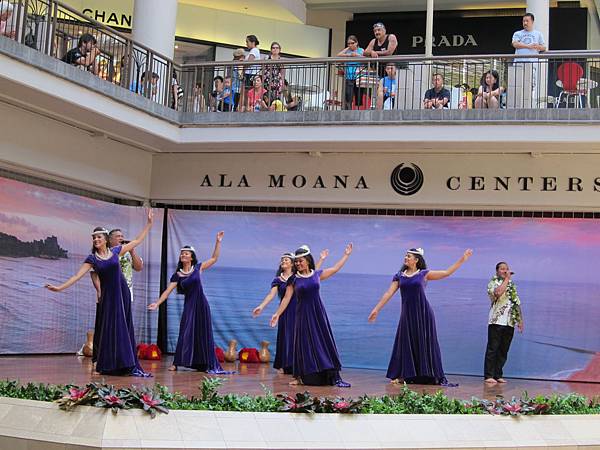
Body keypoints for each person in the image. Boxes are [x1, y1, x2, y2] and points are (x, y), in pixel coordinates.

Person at [45, 210, 154, 377]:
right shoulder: (92, 259)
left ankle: (125, 363)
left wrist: (149, 223)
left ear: (105, 239)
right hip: (108, 296)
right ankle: (106, 364)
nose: (96, 240)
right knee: (108, 328)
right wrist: (59, 288)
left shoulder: (117, 251)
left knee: (123, 328)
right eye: (94, 238)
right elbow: (76, 276)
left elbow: (138, 240)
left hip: (122, 293)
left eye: (99, 237)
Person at [369, 247, 473, 385]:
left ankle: (427, 375)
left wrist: (462, 259)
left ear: (416, 260)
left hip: (423, 314)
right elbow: (388, 293)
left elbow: (446, 273)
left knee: (424, 343)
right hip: (407, 315)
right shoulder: (399, 276)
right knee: (406, 343)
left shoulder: (424, 274)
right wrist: (377, 309)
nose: (406, 258)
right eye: (405, 256)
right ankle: (405, 375)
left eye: (409, 256)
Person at [270, 244, 353, 387]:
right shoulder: (294, 279)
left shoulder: (316, 275)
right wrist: (277, 314)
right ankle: (300, 377)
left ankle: (335, 377)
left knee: (325, 343)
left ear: (308, 260)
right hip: (302, 315)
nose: (298, 263)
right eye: (296, 261)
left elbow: (335, 269)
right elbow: (286, 298)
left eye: (300, 260)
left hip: (318, 313)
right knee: (302, 345)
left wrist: (346, 255)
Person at [148, 233, 230, 373]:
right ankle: (177, 363)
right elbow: (167, 291)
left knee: (202, 333)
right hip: (189, 306)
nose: (183, 256)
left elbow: (214, 258)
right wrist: (157, 303)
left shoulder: (198, 268)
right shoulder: (177, 275)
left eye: (186, 254)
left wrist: (218, 242)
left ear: (191, 257)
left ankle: (204, 363)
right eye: (182, 254)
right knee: (185, 332)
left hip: (202, 305)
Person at [253, 249, 328, 374]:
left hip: (299, 310)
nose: (283, 261)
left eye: (286, 259)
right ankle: (284, 364)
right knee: (286, 337)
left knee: (299, 338)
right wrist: (261, 306)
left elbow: (312, 274)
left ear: (292, 263)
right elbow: (271, 295)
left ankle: (300, 365)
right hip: (285, 311)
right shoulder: (279, 280)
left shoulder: (298, 277)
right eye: (282, 260)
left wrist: (321, 259)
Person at [88, 228, 144, 362]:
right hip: (108, 293)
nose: (121, 238)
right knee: (104, 325)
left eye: (122, 236)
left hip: (125, 293)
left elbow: (139, 267)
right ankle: (99, 358)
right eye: (118, 236)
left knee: (124, 325)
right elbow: (94, 274)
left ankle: (122, 356)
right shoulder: (103, 254)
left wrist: (132, 250)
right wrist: (99, 290)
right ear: (110, 239)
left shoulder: (125, 251)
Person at [484, 262, 524, 384]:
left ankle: (498, 374)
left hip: (509, 321)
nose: (505, 271)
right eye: (502, 269)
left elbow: (516, 302)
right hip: (496, 320)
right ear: (497, 271)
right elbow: (497, 293)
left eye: (506, 269)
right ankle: (489, 375)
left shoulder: (512, 285)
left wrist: (520, 320)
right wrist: (506, 279)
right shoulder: (493, 283)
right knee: (493, 349)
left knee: (503, 350)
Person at [337, 35, 364, 110]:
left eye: (352, 43)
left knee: (359, 96)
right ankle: (348, 112)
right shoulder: (348, 51)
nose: (350, 45)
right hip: (348, 76)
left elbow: (365, 58)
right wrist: (349, 53)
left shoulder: (361, 50)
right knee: (348, 96)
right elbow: (338, 55)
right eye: (348, 43)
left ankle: (358, 113)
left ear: (356, 43)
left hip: (358, 76)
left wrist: (357, 55)